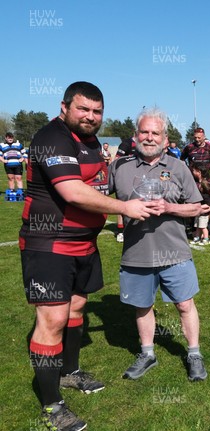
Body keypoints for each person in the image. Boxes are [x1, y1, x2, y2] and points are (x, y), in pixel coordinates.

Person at [20, 81, 158, 430]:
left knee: (78, 308)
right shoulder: (52, 137)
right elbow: (73, 191)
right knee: (51, 321)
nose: (90, 116)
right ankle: (51, 407)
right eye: (83, 109)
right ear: (64, 106)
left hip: (84, 243)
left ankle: (70, 372)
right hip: (49, 244)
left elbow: (98, 183)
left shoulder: (92, 141)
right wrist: (124, 207)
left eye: (97, 111)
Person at [108, 107, 208, 382]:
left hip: (174, 251)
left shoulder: (178, 167)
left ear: (165, 139)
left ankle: (194, 354)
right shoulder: (119, 167)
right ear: (135, 135)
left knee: (185, 305)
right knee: (142, 306)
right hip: (136, 253)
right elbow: (100, 199)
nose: (149, 137)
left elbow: (197, 208)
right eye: (145, 131)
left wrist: (169, 207)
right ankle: (147, 353)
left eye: (156, 133)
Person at [189, 165, 210, 246]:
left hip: (204, 210)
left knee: (203, 226)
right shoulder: (193, 181)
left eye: (194, 171)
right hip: (198, 210)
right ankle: (197, 238)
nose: (193, 172)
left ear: (199, 172)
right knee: (198, 225)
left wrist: (205, 210)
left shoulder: (209, 184)